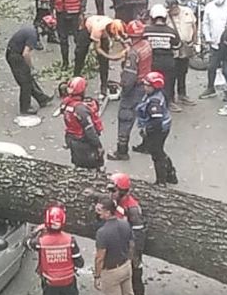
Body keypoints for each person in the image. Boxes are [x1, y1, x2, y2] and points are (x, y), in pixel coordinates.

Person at [109, 20, 152, 161]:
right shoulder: (146, 45)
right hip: (145, 86)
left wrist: (123, 88)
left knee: (125, 116)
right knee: (144, 116)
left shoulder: (133, 54)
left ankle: (122, 151)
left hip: (134, 88)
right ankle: (147, 144)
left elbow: (129, 76)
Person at [94, 196, 135, 295]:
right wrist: (129, 259)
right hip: (126, 266)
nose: (97, 213)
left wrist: (97, 276)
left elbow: (100, 258)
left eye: (99, 211)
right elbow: (132, 244)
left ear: (107, 212)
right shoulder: (125, 224)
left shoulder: (102, 233)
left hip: (111, 272)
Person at [137, 71, 178, 185]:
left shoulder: (154, 102)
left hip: (158, 130)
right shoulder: (156, 94)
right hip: (161, 127)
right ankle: (170, 174)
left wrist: (147, 130)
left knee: (157, 154)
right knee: (159, 152)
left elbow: (156, 121)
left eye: (148, 85)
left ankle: (161, 181)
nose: (145, 87)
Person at [109, 174, 147, 295]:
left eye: (113, 190)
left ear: (122, 191)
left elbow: (138, 234)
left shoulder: (133, 209)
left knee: (135, 278)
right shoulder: (117, 200)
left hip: (130, 249)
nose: (110, 193)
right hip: (120, 247)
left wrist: (133, 255)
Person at [6, 24, 54, 115]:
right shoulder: (33, 36)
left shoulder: (31, 30)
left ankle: (42, 99)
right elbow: (26, 53)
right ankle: (25, 108)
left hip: (14, 52)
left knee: (28, 78)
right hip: (15, 56)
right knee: (25, 82)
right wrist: (30, 67)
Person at [200, 0, 227, 98]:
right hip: (214, 43)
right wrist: (208, 37)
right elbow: (205, 23)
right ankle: (210, 88)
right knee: (212, 67)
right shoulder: (209, 7)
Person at [144, 4, 182, 111]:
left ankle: (150, 102)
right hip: (167, 61)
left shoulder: (146, 30)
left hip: (152, 61)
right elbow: (177, 45)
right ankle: (168, 102)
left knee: (150, 81)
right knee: (168, 82)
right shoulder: (171, 31)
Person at [76, 16, 126, 97]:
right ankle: (76, 76)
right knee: (80, 54)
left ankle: (104, 85)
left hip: (102, 33)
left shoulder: (114, 25)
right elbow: (98, 49)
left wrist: (127, 48)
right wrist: (111, 57)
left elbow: (120, 38)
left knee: (104, 62)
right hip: (88, 29)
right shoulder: (98, 29)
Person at [60, 77, 104, 169]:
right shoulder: (81, 110)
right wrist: (98, 145)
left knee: (78, 164)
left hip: (72, 139)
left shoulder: (66, 103)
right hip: (84, 142)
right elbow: (89, 130)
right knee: (92, 166)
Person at [166, 0, 198, 106]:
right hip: (173, 49)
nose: (173, 11)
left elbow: (194, 26)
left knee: (183, 72)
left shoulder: (187, 11)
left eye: (175, 8)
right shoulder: (166, 16)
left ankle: (182, 95)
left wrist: (194, 41)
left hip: (186, 46)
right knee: (172, 74)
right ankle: (170, 98)